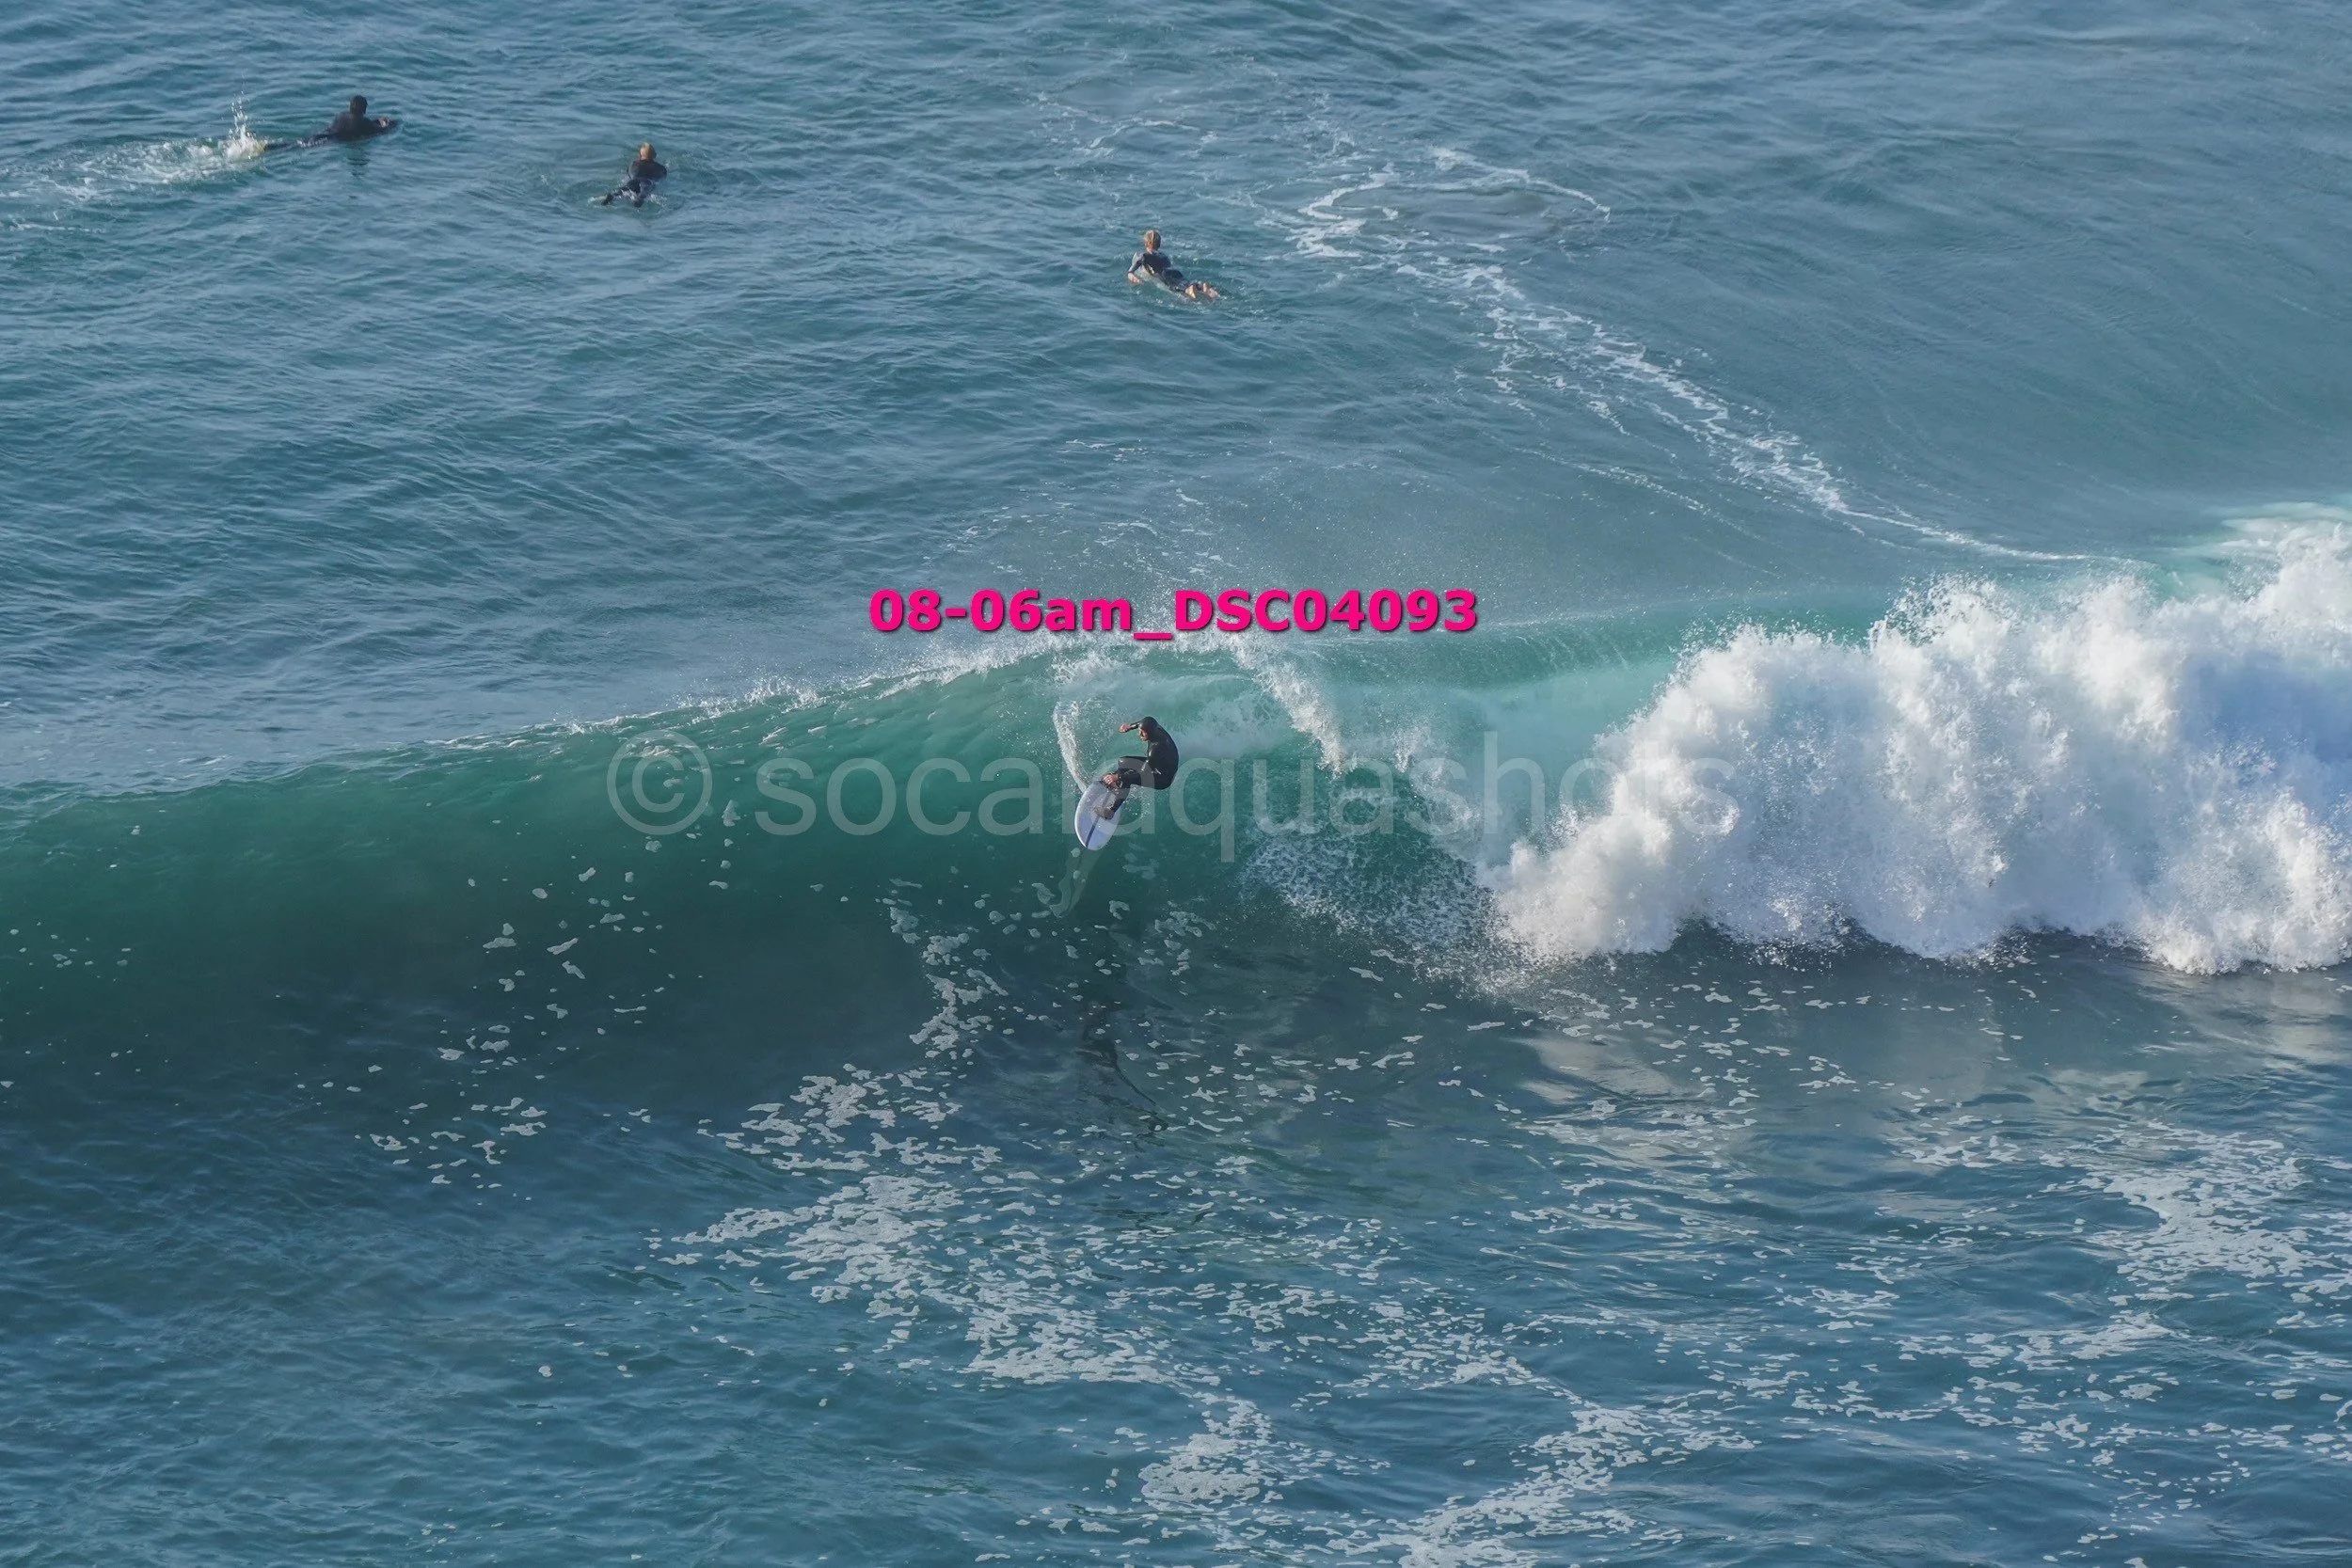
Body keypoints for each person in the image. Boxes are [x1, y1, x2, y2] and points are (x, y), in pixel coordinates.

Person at [1099, 718, 1180, 810]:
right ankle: (1117, 786)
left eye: (1143, 732)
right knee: (1123, 761)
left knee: (1127, 777)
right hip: (1157, 764)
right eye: (1139, 731)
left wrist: (1118, 776)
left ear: (1151, 732)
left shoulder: (1155, 748)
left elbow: (1144, 772)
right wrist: (1129, 727)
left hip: (1163, 778)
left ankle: (1111, 810)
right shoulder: (1155, 728)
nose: (1140, 734)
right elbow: (1142, 723)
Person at [264, 95, 398, 150]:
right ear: (364, 110)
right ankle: (276, 147)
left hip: (325, 134)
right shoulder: (365, 122)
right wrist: (387, 122)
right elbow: (383, 130)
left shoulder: (341, 115)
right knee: (300, 147)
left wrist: (376, 121)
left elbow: (363, 125)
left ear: (350, 107)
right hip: (333, 140)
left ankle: (273, 146)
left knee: (300, 143)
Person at [1127, 230, 1218, 300]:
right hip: (1175, 272)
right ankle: (1202, 287)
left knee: (1177, 287)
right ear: (1159, 244)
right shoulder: (1163, 255)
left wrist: (1131, 274)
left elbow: (1136, 265)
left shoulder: (1145, 255)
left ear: (1146, 243)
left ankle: (1189, 290)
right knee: (1185, 282)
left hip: (1165, 275)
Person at [598, 143, 668, 207]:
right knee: (644, 192)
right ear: (655, 155)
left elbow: (628, 174)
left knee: (624, 189)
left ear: (640, 155)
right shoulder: (661, 168)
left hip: (633, 181)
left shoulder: (633, 164)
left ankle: (612, 196)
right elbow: (661, 178)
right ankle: (639, 199)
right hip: (647, 182)